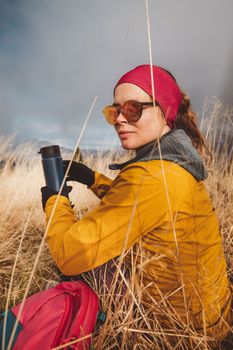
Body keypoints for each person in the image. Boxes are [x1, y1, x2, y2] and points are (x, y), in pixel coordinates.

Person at [41, 65, 232, 344]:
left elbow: (69, 254)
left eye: (132, 109)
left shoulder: (152, 176)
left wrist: (54, 200)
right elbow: (137, 206)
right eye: (114, 111)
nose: (119, 119)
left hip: (176, 331)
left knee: (74, 276)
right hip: (213, 317)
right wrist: (92, 178)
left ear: (164, 110)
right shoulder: (174, 164)